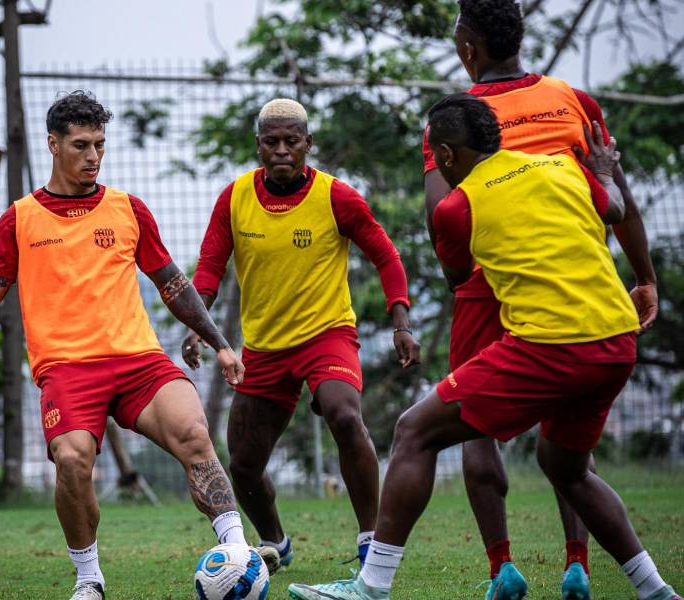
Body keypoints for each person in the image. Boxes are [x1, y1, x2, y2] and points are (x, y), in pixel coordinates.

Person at [288, 94, 681, 600]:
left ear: (446, 156)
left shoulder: (457, 207)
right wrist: (603, 170)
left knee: (415, 431)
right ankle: (657, 592)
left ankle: (371, 586)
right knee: (568, 469)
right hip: (615, 344)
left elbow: (458, 275)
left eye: (435, 157)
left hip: (550, 347)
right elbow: (617, 208)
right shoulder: (562, 165)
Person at [0, 91, 253, 600]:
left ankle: (239, 555)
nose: (93, 156)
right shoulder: (20, 218)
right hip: (68, 369)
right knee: (72, 461)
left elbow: (174, 285)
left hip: (138, 360)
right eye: (80, 145)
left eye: (99, 145)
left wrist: (220, 343)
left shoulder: (128, 209)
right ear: (53, 144)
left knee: (194, 433)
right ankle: (90, 579)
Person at [421, 1, 659, 597]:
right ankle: (577, 562)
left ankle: (502, 568)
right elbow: (616, 194)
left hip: (486, 284)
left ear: (467, 49)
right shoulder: (573, 100)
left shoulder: (455, 121)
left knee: (470, 426)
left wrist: (461, 273)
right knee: (568, 434)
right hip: (572, 282)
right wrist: (644, 277)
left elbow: (438, 216)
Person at [183, 98, 420, 573]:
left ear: (308, 144)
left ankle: (371, 540)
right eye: (272, 141)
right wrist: (196, 326)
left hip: (326, 335)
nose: (282, 150)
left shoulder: (338, 197)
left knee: (344, 415)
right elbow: (209, 268)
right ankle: (275, 543)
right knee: (244, 465)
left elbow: (387, 257)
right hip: (265, 348)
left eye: (293, 140)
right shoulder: (234, 198)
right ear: (258, 147)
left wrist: (402, 323)